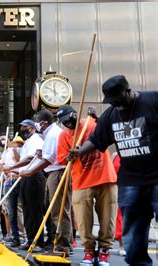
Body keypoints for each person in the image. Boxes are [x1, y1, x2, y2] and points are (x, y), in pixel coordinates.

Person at [66, 75, 158, 265]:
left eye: (118, 99)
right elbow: (97, 140)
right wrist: (79, 151)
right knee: (133, 231)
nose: (115, 104)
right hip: (131, 180)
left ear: (127, 90)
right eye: (111, 101)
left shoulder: (152, 100)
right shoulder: (111, 115)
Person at [58, 104, 118, 265]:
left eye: (69, 119)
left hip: (105, 175)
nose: (67, 123)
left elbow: (109, 133)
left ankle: (105, 250)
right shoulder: (64, 136)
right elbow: (62, 159)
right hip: (81, 180)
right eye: (63, 122)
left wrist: (98, 118)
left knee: (108, 215)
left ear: (75, 114)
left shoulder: (91, 124)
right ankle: (89, 250)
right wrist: (70, 157)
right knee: (83, 218)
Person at [20, 109, 72, 254]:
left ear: (43, 123)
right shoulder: (49, 134)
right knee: (53, 210)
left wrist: (30, 171)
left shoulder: (53, 133)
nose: (36, 125)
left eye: (37, 121)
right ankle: (59, 243)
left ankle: (62, 246)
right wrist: (42, 154)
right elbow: (51, 154)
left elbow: (49, 159)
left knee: (59, 211)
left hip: (58, 172)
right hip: (53, 173)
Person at [4, 119, 45, 252]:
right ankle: (30, 238)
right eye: (21, 128)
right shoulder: (28, 142)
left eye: (25, 127)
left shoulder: (37, 140)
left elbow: (30, 159)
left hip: (34, 176)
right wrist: (14, 170)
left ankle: (38, 241)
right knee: (27, 210)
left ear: (32, 128)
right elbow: (24, 161)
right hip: (25, 177)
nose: (23, 130)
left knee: (34, 210)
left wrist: (12, 167)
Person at [0, 136, 24, 247]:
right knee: (10, 211)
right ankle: (15, 237)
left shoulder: (19, 150)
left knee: (20, 210)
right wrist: (4, 170)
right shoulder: (5, 153)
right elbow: (3, 166)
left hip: (18, 180)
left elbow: (20, 162)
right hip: (8, 182)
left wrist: (14, 150)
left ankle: (23, 234)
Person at [111, 152, 126, 257]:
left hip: (130, 186)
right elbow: (111, 173)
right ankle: (122, 246)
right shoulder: (114, 155)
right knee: (119, 218)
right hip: (116, 189)